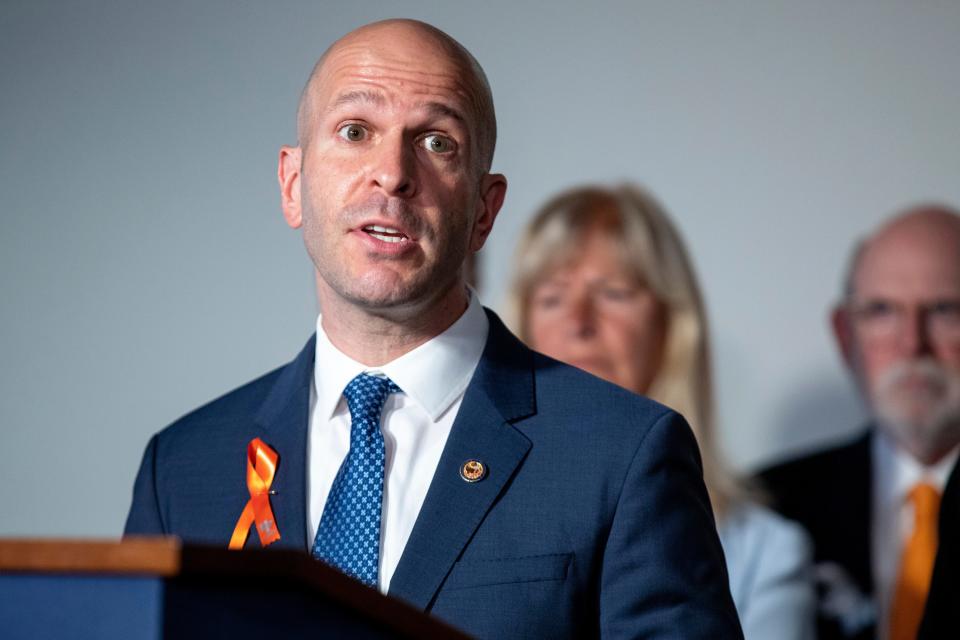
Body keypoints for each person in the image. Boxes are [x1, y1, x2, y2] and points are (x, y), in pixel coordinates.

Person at [123, 19, 742, 638]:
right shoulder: (181, 469)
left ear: (483, 210)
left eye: (436, 142)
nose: (391, 173)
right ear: (292, 184)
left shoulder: (623, 454)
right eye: (355, 131)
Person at [509, 184, 816, 639]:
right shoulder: (467, 516)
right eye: (552, 298)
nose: (578, 322)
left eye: (612, 293)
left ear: (671, 326)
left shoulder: (764, 550)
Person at [759, 205, 960, 640]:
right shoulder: (765, 509)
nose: (912, 344)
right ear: (844, 333)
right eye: (882, 311)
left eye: (946, 310)